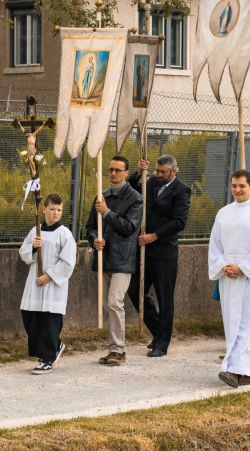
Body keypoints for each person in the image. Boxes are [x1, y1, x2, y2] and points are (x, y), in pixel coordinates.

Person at [209, 170, 250, 388]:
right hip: (229, 273)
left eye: (242, 186)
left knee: (248, 321)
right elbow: (215, 244)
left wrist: (244, 268)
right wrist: (223, 266)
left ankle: (235, 369)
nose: (237, 190)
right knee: (232, 321)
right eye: (234, 186)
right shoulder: (224, 213)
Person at [126, 155, 191, 357]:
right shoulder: (152, 181)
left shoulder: (182, 190)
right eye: (157, 170)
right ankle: (158, 331)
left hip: (163, 252)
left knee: (165, 299)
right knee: (135, 292)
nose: (159, 174)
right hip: (144, 251)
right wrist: (137, 173)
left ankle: (162, 343)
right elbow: (131, 190)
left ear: (174, 171)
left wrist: (154, 236)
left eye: (163, 172)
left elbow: (179, 222)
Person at [86, 155, 143, 365]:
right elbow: (90, 227)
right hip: (103, 257)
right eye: (111, 169)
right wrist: (94, 241)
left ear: (126, 173)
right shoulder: (101, 196)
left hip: (122, 259)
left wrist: (107, 212)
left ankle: (118, 350)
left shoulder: (135, 198)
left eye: (118, 170)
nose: (113, 173)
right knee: (106, 305)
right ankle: (113, 349)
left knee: (114, 302)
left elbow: (129, 228)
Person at [18, 194, 76, 374]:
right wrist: (33, 247)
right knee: (30, 317)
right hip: (34, 285)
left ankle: (47, 358)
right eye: (52, 209)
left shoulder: (64, 234)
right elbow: (23, 254)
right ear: (43, 210)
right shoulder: (35, 231)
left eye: (59, 210)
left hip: (52, 286)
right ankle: (55, 345)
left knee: (49, 321)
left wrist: (48, 276)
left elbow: (68, 262)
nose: (55, 213)